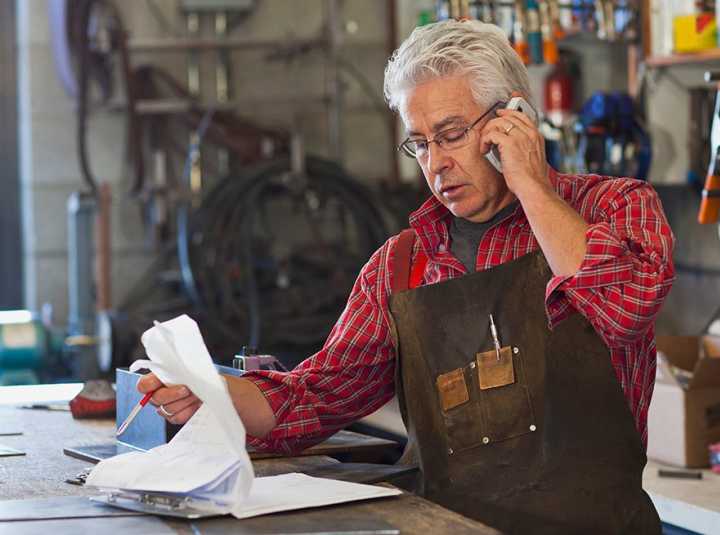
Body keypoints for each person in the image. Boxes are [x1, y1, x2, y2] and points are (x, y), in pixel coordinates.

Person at [139, 19, 675, 534]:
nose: (435, 163)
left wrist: (531, 185)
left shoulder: (616, 208)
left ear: (513, 121)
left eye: (451, 134)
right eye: (420, 142)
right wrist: (214, 394)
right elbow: (316, 397)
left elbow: (622, 308)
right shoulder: (401, 264)